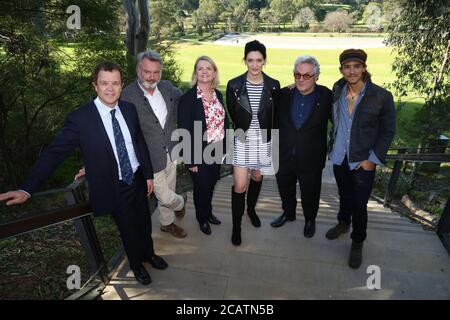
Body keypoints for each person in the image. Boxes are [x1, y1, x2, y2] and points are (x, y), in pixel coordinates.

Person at [0, 62, 168, 285]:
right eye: (104, 83)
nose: (110, 88)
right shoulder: (81, 118)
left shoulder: (129, 109)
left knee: (144, 222)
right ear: (95, 86)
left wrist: (147, 174)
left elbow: (138, 142)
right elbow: (54, 154)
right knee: (128, 229)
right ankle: (137, 265)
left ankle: (149, 254)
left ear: (121, 86)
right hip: (113, 186)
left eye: (115, 83)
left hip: (137, 178)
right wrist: (26, 188)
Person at [327, 49, 396, 269]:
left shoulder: (381, 96)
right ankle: (343, 223)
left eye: (357, 66)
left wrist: (372, 159)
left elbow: (388, 131)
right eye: (347, 67)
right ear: (342, 70)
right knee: (344, 195)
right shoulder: (337, 90)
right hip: (340, 157)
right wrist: (293, 87)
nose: (352, 71)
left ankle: (357, 241)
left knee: (360, 204)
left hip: (362, 161)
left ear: (364, 68)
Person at [121, 50, 188, 239]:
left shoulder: (168, 89)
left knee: (170, 187)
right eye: (147, 71)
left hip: (171, 149)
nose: (152, 77)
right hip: (148, 157)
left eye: (156, 72)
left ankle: (167, 224)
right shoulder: (126, 96)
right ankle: (181, 203)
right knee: (164, 195)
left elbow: (186, 102)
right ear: (138, 70)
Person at [271, 55, 332, 238]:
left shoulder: (327, 95)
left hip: (312, 157)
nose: (301, 79)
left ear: (317, 76)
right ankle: (288, 213)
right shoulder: (283, 94)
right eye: (297, 75)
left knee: (310, 192)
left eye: (307, 75)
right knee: (285, 188)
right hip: (283, 153)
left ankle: (310, 219)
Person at [226, 40, 280, 246]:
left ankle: (251, 209)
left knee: (257, 176)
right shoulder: (234, 85)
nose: (255, 65)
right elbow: (233, 112)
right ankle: (236, 226)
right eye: (250, 60)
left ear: (264, 61)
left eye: (259, 60)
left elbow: (276, 115)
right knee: (240, 185)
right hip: (242, 140)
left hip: (264, 141)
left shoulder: (274, 85)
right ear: (245, 60)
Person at [177, 56, 228, 235]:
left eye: (208, 68)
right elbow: (184, 130)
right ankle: (202, 218)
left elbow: (223, 121)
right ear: (196, 72)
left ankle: (209, 211)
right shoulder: (188, 99)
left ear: (214, 72)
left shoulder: (217, 94)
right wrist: (191, 161)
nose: (205, 71)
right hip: (199, 154)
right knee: (201, 187)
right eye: (200, 68)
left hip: (217, 150)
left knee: (211, 184)